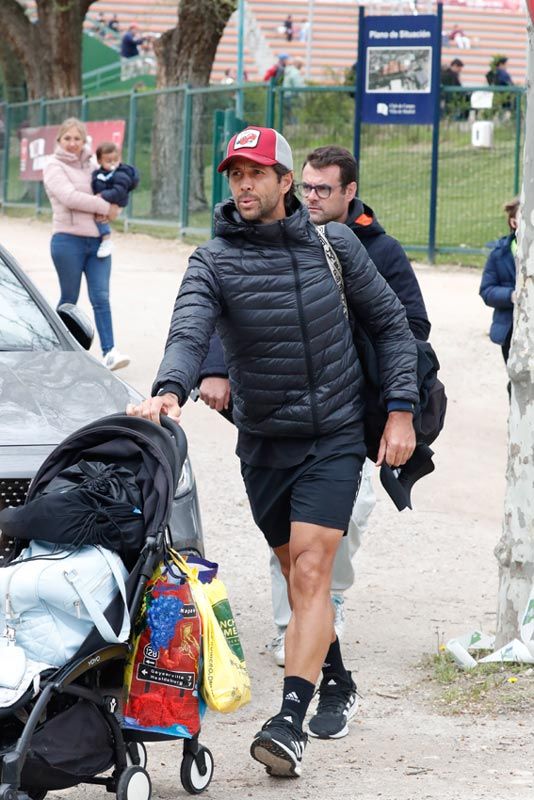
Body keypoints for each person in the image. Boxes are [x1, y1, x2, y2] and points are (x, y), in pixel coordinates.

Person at [127, 126, 419, 777]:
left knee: (313, 570)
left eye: (257, 172)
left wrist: (401, 410)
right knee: (296, 574)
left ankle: (289, 721)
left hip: (336, 436)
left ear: (285, 181)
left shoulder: (334, 245)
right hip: (263, 445)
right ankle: (335, 675)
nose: (244, 184)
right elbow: (189, 328)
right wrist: (168, 390)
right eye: (235, 174)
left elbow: (393, 325)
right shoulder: (213, 259)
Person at [196, 145, 430, 669]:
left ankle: (325, 610)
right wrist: (210, 368)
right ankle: (305, 634)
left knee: (339, 531)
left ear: (350, 192)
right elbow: (220, 314)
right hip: (277, 421)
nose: (314, 196)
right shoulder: (234, 250)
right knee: (297, 553)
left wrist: (393, 399)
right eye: (309, 186)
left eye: (325, 188)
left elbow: (408, 328)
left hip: (349, 413)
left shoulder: (375, 249)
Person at [42, 118, 130, 371]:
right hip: (67, 240)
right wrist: (107, 208)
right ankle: (57, 350)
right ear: (59, 140)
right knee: (69, 298)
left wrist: (117, 208)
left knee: (101, 297)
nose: (72, 143)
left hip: (99, 243)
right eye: (67, 138)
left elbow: (114, 188)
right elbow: (69, 198)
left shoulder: (93, 163)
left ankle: (110, 351)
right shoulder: (53, 165)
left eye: (77, 139)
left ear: (84, 141)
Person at [479, 197, 519, 390]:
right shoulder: (500, 253)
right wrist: (511, 295)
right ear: (514, 221)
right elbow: (487, 290)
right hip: (510, 328)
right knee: (518, 379)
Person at [91, 142, 140, 258]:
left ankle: (106, 240)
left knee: (101, 218)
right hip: (107, 198)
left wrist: (103, 195)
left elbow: (120, 190)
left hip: (116, 200)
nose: (113, 163)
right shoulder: (101, 173)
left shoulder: (120, 174)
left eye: (115, 160)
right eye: (108, 161)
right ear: (99, 161)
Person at [282, 57, 305, 124]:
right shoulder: (295, 73)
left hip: (286, 95)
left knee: (288, 115)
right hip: (293, 96)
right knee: (295, 114)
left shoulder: (288, 71)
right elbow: (298, 86)